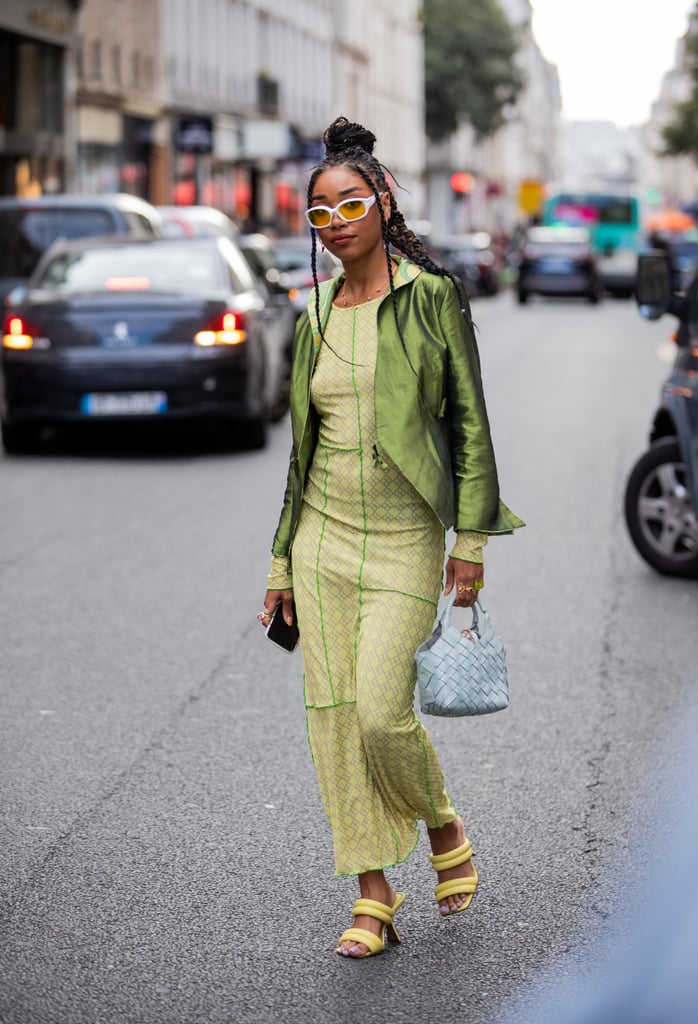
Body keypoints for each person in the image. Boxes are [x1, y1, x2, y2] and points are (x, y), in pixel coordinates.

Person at [258, 116, 524, 959]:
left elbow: (472, 426)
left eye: (350, 204)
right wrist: (279, 561)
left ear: (382, 203)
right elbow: (301, 451)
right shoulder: (314, 313)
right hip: (322, 538)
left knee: (380, 713)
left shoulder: (433, 297)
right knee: (333, 718)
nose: (336, 223)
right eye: (319, 213)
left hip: (409, 535)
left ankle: (440, 820)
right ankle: (373, 893)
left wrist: (472, 541)